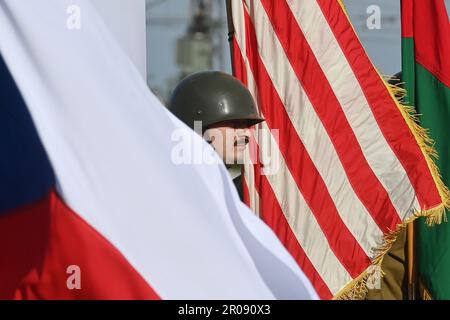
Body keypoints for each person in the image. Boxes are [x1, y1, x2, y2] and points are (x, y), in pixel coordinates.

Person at [169, 71, 264, 200]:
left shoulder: (248, 196)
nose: (247, 133)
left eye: (246, 125)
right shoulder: (169, 194)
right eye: (235, 124)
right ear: (196, 129)